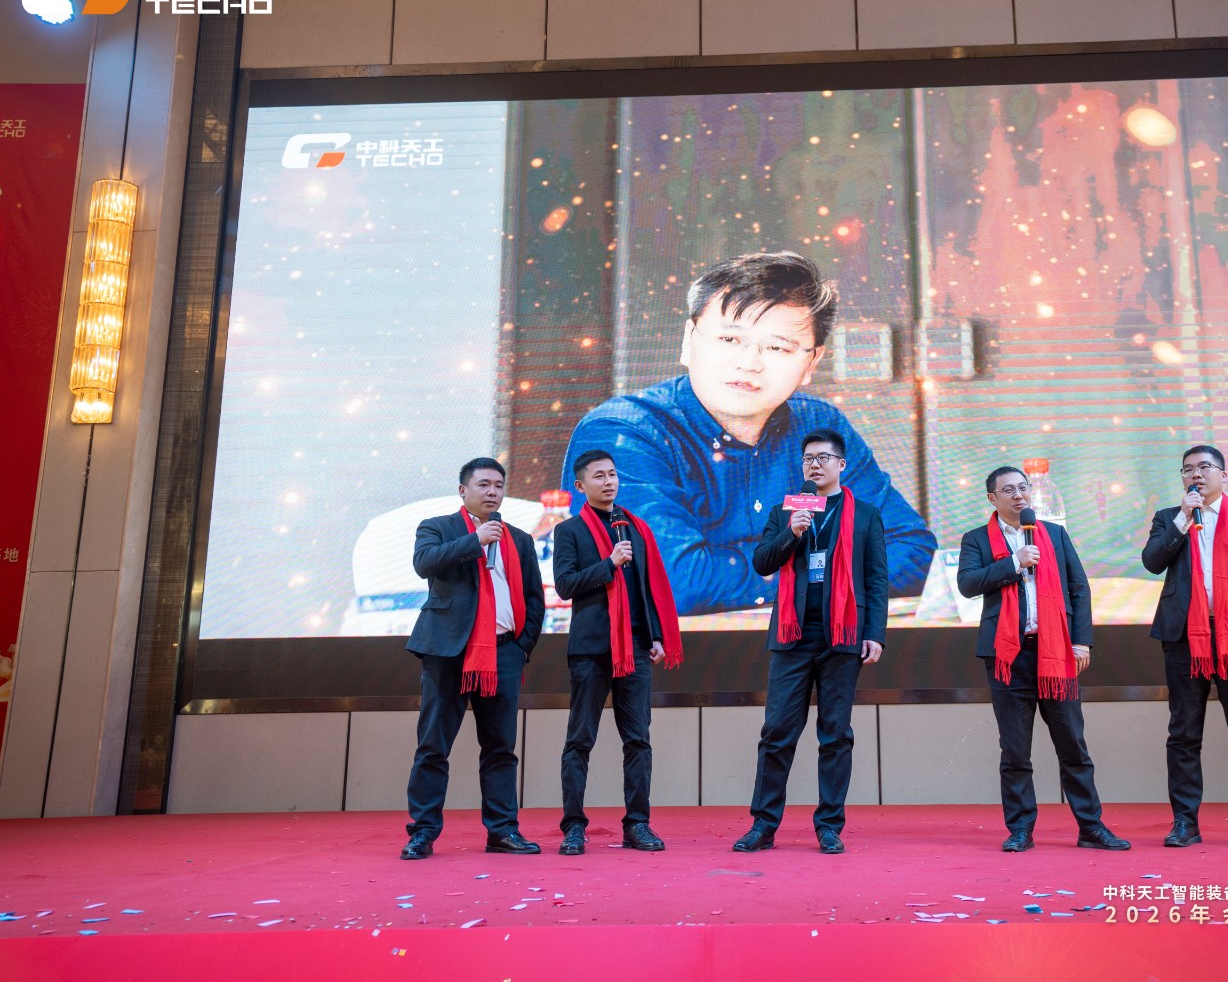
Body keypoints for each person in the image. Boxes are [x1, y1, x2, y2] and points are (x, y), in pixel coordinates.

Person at [559, 251, 935, 615]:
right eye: (729, 340)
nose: (749, 363)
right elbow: (670, 581)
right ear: (689, 340)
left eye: (776, 347)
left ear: (811, 362)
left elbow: (913, 551)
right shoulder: (622, 433)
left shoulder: (821, 427)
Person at [956, 465, 1131, 853]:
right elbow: (967, 584)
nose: (1019, 495)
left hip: (1056, 653)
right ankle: (1020, 829)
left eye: (1023, 488)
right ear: (992, 498)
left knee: (1073, 745)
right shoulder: (976, 539)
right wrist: (1014, 563)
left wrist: (1081, 642)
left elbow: (1079, 588)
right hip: (1008, 656)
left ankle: (1091, 827)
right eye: (1009, 490)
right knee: (1015, 749)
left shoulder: (1053, 534)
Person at [732, 429, 886, 854]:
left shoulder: (866, 515)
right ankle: (763, 825)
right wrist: (792, 533)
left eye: (822, 458)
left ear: (841, 464)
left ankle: (829, 826)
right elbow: (762, 562)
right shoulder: (786, 511)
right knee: (777, 732)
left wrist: (875, 633)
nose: (814, 465)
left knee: (835, 734)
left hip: (843, 636)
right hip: (792, 636)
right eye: (807, 459)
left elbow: (876, 579)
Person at [401, 457, 544, 860]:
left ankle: (502, 831)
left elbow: (534, 598)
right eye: (483, 484)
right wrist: (475, 540)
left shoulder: (520, 539)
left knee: (500, 748)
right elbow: (424, 563)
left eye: (498, 485)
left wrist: (521, 646)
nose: (492, 491)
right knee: (433, 746)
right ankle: (422, 832)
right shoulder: (437, 527)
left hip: (503, 654)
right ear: (463, 490)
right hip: (448, 652)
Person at [1141, 444, 1228, 850]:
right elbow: (1152, 561)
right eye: (1188, 469)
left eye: (1204, 467)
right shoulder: (1169, 518)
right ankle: (1185, 823)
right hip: (1185, 638)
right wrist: (1183, 520)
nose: (1196, 475)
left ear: (1223, 474)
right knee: (1183, 733)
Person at [551, 449, 685, 855]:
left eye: (612, 474)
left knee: (638, 740)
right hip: (592, 650)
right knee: (580, 740)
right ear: (580, 485)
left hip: (636, 648)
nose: (608, 482)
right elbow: (565, 585)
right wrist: (609, 563)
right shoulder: (570, 531)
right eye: (599, 476)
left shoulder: (635, 527)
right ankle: (574, 826)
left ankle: (637, 824)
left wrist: (655, 635)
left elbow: (645, 587)